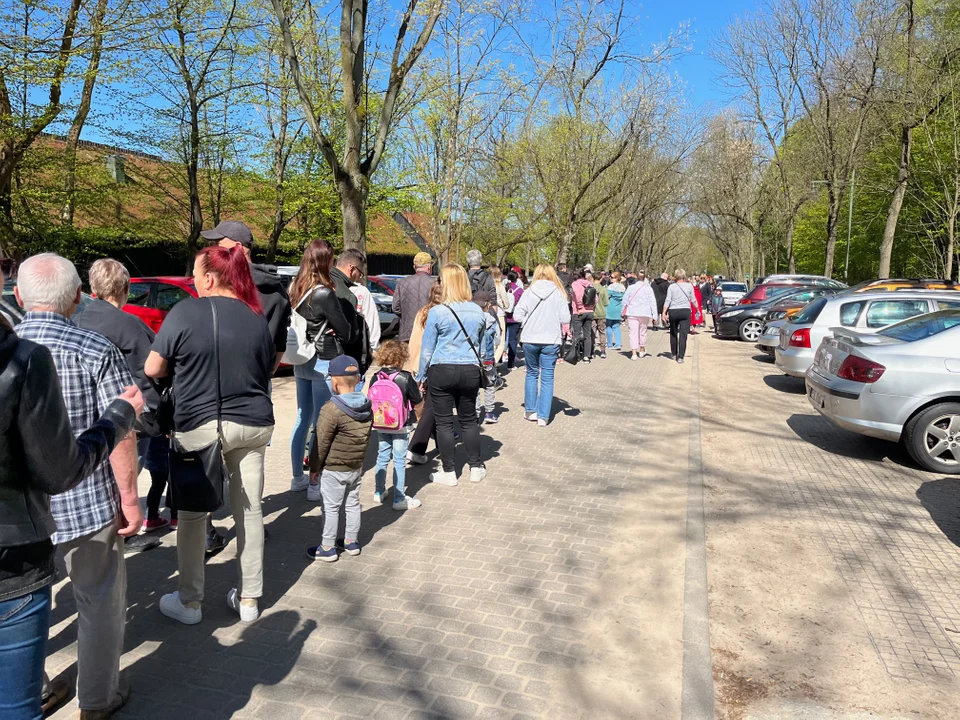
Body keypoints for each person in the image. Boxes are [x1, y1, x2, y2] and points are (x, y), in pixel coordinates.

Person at [14, 253, 142, 718]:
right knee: (100, 605)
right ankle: (97, 699)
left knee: (21, 607)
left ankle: (37, 687)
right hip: (86, 504)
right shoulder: (95, 348)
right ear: (76, 299)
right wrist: (129, 496)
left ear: (20, 296)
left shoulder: (8, 352)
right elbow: (121, 430)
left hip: (18, 512)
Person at [147, 245, 275, 625]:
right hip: (253, 424)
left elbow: (154, 366)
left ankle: (189, 602)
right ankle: (250, 599)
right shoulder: (256, 316)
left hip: (199, 424)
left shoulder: (186, 311)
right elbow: (266, 368)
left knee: (191, 514)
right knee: (249, 509)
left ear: (207, 278)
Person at [77, 259, 177, 538]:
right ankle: (124, 528)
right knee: (128, 473)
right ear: (126, 289)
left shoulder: (77, 320)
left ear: (93, 288)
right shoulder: (131, 325)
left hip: (86, 414)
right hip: (128, 415)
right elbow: (152, 371)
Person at [287, 240, 354, 493]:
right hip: (322, 360)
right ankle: (315, 483)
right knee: (320, 423)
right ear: (327, 261)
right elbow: (347, 331)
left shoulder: (294, 287)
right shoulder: (325, 293)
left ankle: (297, 477)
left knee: (302, 419)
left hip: (300, 358)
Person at [415, 263, 488, 486]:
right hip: (469, 369)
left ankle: (449, 472)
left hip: (441, 369)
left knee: (444, 422)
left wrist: (420, 376)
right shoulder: (478, 311)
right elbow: (483, 348)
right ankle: (475, 467)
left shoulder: (437, 312)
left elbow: (427, 349)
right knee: (468, 420)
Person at [306, 355, 373, 562]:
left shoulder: (331, 408)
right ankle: (351, 542)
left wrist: (314, 467)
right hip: (355, 465)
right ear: (358, 378)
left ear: (334, 382)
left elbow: (321, 441)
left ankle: (327, 547)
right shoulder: (367, 405)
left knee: (331, 506)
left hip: (334, 468)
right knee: (353, 504)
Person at [200, 220, 291, 370]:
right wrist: (269, 372)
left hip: (224, 374)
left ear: (238, 248)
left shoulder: (225, 284)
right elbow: (281, 340)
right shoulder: (278, 290)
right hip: (259, 377)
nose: (214, 250)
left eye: (220, 246)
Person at [512, 265, 570, 427]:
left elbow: (517, 315)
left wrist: (528, 322)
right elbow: (565, 318)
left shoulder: (528, 292)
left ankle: (530, 410)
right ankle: (543, 416)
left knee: (531, 374)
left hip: (530, 338)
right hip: (551, 339)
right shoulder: (558, 294)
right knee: (547, 377)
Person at [370, 341, 422, 510]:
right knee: (399, 460)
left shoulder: (376, 376)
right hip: (400, 424)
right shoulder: (405, 377)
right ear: (402, 357)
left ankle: (379, 492)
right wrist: (420, 417)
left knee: (382, 456)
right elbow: (417, 400)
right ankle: (399, 498)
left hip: (381, 423)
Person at [405, 283, 442, 465]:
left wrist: (413, 364)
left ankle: (437, 440)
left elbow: (415, 340)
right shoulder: (443, 314)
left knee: (431, 404)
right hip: (435, 365)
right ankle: (416, 448)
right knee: (431, 406)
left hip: (420, 361)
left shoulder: (423, 312)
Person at [333, 249, 372, 379]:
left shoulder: (317, 280)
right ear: (352, 268)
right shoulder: (346, 295)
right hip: (337, 356)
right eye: (359, 273)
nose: (359, 278)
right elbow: (350, 335)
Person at [392, 251, 435, 343]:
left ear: (414, 267)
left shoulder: (402, 283)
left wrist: (407, 317)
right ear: (429, 267)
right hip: (429, 332)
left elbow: (395, 308)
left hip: (407, 334)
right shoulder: (436, 284)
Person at [473, 290, 501, 424]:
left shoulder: (471, 320)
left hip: (474, 358)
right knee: (489, 384)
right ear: (488, 305)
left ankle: (476, 413)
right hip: (488, 358)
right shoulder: (493, 321)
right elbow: (497, 340)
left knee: (474, 387)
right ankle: (489, 412)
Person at [662, 269, 697, 364]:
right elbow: (693, 299)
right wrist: (697, 309)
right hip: (685, 311)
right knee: (683, 334)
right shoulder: (689, 286)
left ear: (676, 276)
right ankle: (681, 356)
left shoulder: (672, 287)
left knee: (673, 333)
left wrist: (664, 312)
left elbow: (668, 300)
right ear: (684, 276)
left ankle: (674, 354)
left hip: (673, 311)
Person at [622, 275, 658, 360]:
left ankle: (634, 353)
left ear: (636, 279)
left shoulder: (630, 288)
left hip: (632, 312)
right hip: (644, 313)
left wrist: (622, 312)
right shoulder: (648, 289)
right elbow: (653, 302)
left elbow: (625, 300)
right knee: (643, 331)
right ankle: (642, 350)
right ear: (645, 279)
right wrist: (654, 315)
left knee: (632, 333)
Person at [569, 269, 596, 363]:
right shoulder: (589, 283)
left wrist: (580, 307)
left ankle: (575, 355)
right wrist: (591, 306)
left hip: (579, 312)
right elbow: (596, 298)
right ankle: (586, 357)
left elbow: (577, 295)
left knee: (576, 334)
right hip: (590, 311)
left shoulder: (575, 284)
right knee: (587, 335)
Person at [504, 270, 523, 368]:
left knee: (502, 339)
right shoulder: (520, 290)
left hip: (503, 316)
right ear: (517, 279)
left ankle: (499, 359)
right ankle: (510, 364)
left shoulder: (504, 288)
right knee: (512, 340)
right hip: (514, 318)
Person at [605, 272, 626, 350]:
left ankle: (610, 344)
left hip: (610, 308)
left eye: (612, 277)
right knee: (616, 326)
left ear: (617, 278)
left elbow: (606, 297)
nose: (610, 278)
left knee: (608, 326)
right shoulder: (623, 287)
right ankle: (618, 343)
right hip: (618, 309)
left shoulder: (610, 287)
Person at [591, 272, 609, 359]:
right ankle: (602, 351)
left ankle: (591, 350)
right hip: (601, 313)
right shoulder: (603, 289)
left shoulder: (589, 288)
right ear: (601, 279)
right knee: (602, 332)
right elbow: (606, 303)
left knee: (592, 333)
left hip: (592, 313)